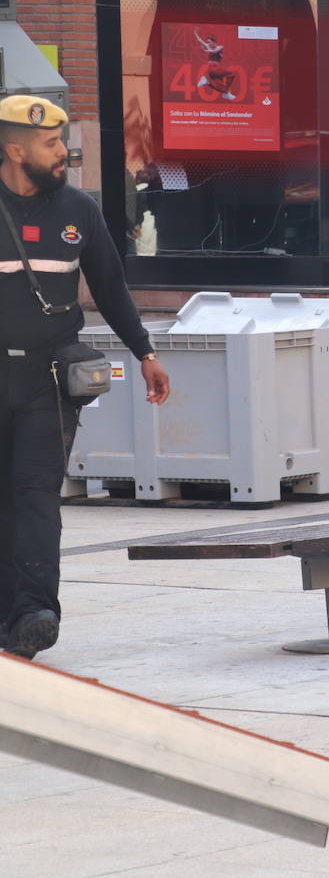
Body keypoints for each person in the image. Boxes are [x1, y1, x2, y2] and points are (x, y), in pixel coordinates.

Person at [0, 95, 170, 659]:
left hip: (47, 380)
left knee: (36, 495)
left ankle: (34, 613)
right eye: (50, 145)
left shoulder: (79, 209)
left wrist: (144, 351)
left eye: (62, 142)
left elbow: (110, 286)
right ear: (13, 150)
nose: (62, 154)